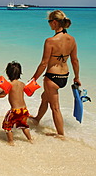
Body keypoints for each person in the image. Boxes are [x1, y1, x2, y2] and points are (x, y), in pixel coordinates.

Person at [30, 10, 81, 138]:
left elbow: (43, 63)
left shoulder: (50, 41)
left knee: (55, 108)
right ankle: (37, 119)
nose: (49, 25)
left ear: (54, 22)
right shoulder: (72, 39)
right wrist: (77, 77)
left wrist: (34, 78)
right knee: (44, 97)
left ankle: (60, 134)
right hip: (65, 76)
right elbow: (75, 61)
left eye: (49, 22)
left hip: (52, 77)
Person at [0, 61, 33, 145]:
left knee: (7, 126)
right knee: (23, 125)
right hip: (24, 110)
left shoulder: (9, 84)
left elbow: (3, 95)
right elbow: (30, 94)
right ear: (20, 73)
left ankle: (11, 141)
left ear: (8, 74)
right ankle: (30, 139)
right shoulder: (22, 84)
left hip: (14, 111)